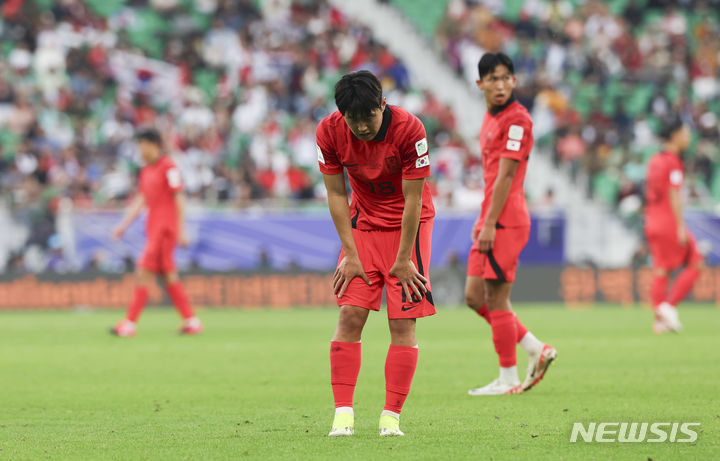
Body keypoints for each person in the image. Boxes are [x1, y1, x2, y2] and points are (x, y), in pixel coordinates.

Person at [316, 70, 435, 437]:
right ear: (342, 115)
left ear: (382, 105)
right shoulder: (328, 131)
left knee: (401, 323)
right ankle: (343, 416)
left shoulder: (410, 129)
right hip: (363, 224)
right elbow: (336, 194)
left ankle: (390, 418)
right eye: (353, 119)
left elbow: (414, 198)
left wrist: (404, 259)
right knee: (350, 315)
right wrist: (349, 253)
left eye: (368, 116)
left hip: (408, 227)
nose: (362, 126)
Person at [464, 53, 557, 396]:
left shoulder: (517, 120)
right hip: (490, 216)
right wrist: (484, 218)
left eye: (506, 78)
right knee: (475, 296)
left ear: (514, 81)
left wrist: (489, 223)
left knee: (497, 298)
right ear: (480, 84)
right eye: (493, 79)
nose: (500, 85)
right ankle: (535, 347)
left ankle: (507, 377)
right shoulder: (491, 117)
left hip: (505, 220)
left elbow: (505, 177)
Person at [110, 129, 202, 337]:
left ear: (154, 145)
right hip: (153, 229)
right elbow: (141, 200)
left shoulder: (169, 167)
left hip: (165, 230)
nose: (140, 150)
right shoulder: (146, 171)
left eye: (142, 145)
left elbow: (179, 198)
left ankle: (129, 323)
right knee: (169, 277)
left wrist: (182, 229)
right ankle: (192, 321)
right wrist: (122, 225)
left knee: (143, 272)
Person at [644, 116, 702, 333]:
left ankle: (660, 319)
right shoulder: (673, 161)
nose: (688, 138)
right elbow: (674, 194)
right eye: (685, 133)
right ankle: (667, 307)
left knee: (661, 270)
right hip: (668, 220)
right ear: (675, 135)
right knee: (696, 260)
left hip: (652, 219)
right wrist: (680, 226)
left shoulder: (655, 160)